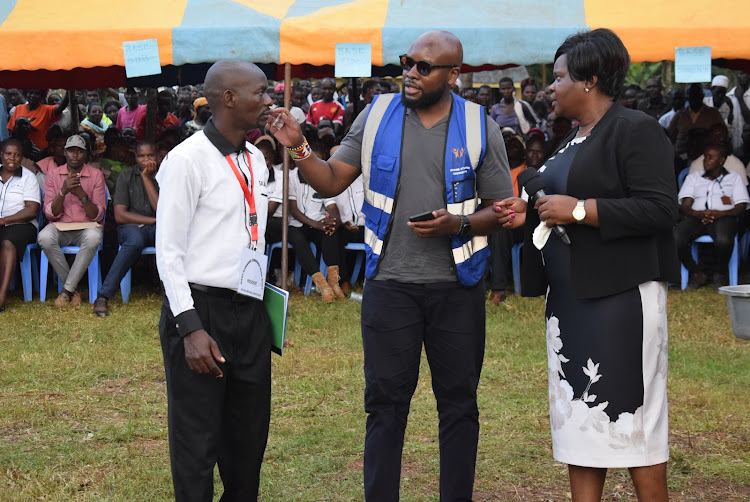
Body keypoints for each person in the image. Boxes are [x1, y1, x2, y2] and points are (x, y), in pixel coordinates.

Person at [268, 30, 512, 501]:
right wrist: (298, 148)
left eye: (424, 67)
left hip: (456, 289)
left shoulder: (481, 126)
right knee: (384, 407)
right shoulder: (377, 114)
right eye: (407, 62)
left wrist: (458, 224)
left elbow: (504, 210)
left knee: (459, 407)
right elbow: (333, 180)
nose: (411, 73)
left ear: (453, 75)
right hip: (389, 287)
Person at [495, 28, 678, 502]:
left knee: (633, 423)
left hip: (620, 301)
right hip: (572, 302)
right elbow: (553, 203)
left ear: (590, 80)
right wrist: (528, 210)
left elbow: (660, 209)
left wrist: (579, 209)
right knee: (579, 422)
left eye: (558, 78)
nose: (550, 87)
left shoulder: (635, 130)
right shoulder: (571, 140)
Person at [155, 59, 274, 502]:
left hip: (250, 309)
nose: (267, 101)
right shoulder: (186, 160)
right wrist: (190, 327)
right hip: (200, 314)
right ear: (228, 98)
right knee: (197, 443)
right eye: (259, 93)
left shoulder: (256, 158)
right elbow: (168, 252)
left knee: (247, 444)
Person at [39, 135, 106, 307]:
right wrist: (63, 191)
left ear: (86, 154)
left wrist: (82, 195)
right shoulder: (53, 174)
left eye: (79, 151)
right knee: (45, 237)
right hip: (60, 227)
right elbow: (50, 214)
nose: (75, 155)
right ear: (65, 152)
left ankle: (66, 291)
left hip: (86, 227)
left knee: (93, 237)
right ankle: (73, 289)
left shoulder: (96, 175)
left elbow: (97, 215)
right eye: (71, 151)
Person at [93, 141, 159, 316]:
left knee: (174, 239)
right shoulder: (125, 176)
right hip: (132, 227)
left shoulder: (165, 175)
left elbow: (160, 208)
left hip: (159, 227)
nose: (146, 160)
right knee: (134, 242)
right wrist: (153, 220)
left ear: (157, 156)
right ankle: (103, 296)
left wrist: (146, 177)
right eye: (141, 156)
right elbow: (120, 215)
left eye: (150, 155)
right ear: (135, 157)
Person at [675, 143, 749, 288]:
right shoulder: (694, 178)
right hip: (697, 217)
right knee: (675, 237)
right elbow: (685, 205)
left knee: (724, 241)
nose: (705, 160)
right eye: (705, 157)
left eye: (711, 157)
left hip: (724, 217)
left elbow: (740, 206)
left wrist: (720, 213)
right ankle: (696, 272)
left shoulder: (734, 178)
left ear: (721, 160)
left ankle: (720, 273)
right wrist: (697, 213)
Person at [0, 138, 41, 312]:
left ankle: (1, 296)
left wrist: (4, 220)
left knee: (8, 244)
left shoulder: (28, 177)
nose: (12, 158)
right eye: (8, 154)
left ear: (22, 157)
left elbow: (32, 210)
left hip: (22, 224)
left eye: (17, 155)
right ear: (1, 155)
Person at [668, 83, 725, 160]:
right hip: (681, 159)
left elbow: (722, 137)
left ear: (702, 96)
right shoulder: (680, 115)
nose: (694, 98)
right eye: (691, 95)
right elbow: (670, 137)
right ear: (686, 97)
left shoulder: (713, 114)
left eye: (696, 94)